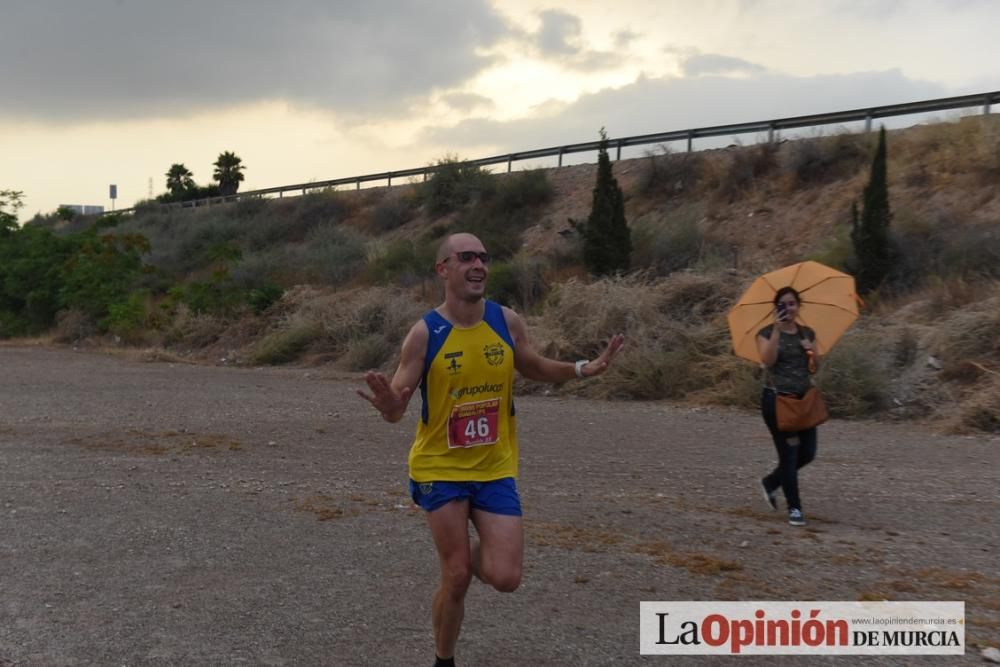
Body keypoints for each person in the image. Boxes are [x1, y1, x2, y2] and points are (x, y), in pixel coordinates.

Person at [357, 232, 625, 667]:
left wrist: (582, 368)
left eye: (484, 257)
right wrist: (389, 406)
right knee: (458, 574)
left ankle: (461, 559)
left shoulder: (506, 321)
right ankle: (444, 658)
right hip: (439, 467)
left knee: (506, 576)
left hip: (494, 466)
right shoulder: (426, 333)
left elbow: (533, 365)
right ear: (443, 268)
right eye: (466, 257)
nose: (478, 264)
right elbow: (396, 404)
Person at [756, 286, 820, 527]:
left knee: (808, 453)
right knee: (790, 454)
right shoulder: (765, 332)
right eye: (782, 304)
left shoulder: (807, 332)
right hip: (777, 401)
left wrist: (810, 350)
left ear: (798, 306)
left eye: (792, 303)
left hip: (803, 401)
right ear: (776, 308)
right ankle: (795, 508)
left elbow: (816, 367)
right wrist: (775, 330)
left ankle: (771, 482)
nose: (788, 308)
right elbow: (767, 360)